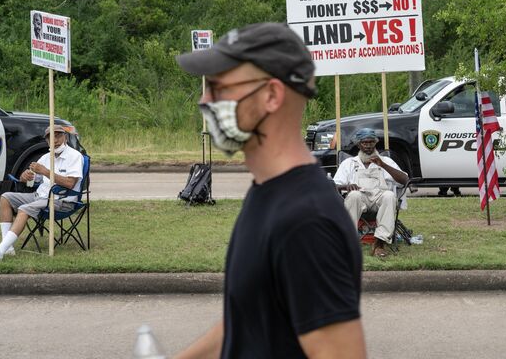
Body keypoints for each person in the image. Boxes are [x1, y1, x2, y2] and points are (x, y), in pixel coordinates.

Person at [174, 22, 366, 359]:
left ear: (272, 96)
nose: (205, 99)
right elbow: (247, 317)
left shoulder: (306, 222)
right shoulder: (269, 191)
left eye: (218, 86)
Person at [0, 125, 84, 263]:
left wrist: (45, 171)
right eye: (51, 137)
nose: (55, 140)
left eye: (58, 136)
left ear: (66, 137)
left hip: (62, 200)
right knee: (5, 198)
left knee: (24, 208)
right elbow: (32, 180)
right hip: (40, 196)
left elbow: (70, 184)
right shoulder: (45, 158)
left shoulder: (75, 156)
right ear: (46, 141)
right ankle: (8, 247)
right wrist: (25, 176)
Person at [334, 128, 409, 258]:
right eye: (364, 143)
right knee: (353, 195)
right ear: (358, 144)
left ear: (375, 143)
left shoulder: (386, 161)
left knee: (389, 196)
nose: (368, 146)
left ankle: (379, 243)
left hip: (379, 198)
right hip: (360, 198)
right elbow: (333, 185)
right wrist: (346, 186)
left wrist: (383, 165)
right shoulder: (349, 163)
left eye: (371, 142)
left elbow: (405, 180)